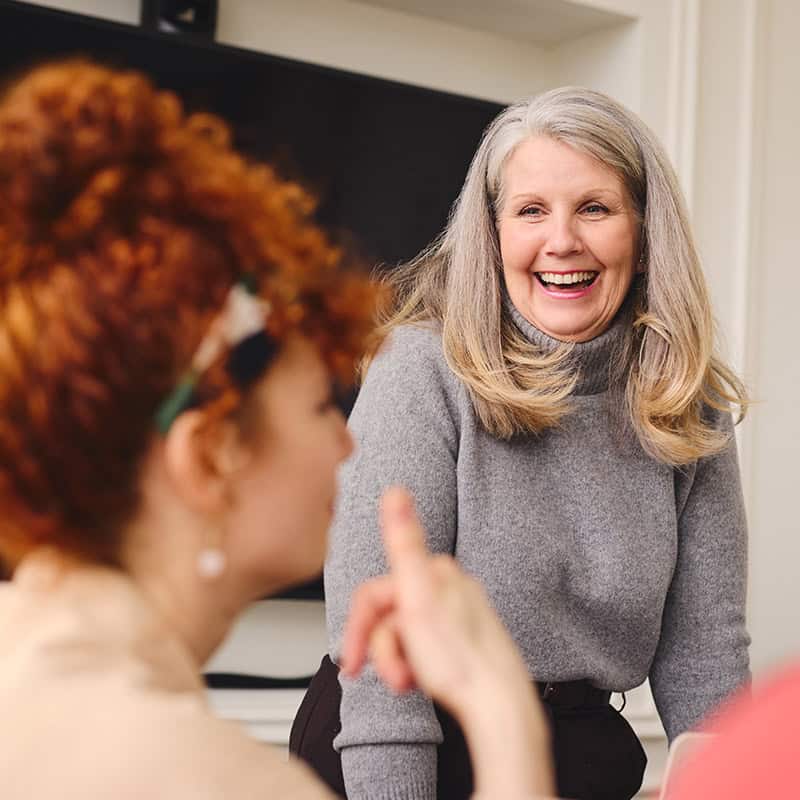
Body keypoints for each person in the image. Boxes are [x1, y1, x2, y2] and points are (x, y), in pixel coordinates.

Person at [0, 58, 556, 800]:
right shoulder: (223, 782)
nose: (348, 442)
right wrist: (501, 707)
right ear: (211, 454)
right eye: (324, 407)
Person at [293, 87, 751, 800]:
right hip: (402, 747)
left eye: (594, 208)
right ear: (494, 233)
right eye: (531, 211)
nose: (561, 241)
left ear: (644, 228)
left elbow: (707, 659)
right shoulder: (422, 371)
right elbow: (385, 656)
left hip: (578, 755)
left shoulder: (688, 405)